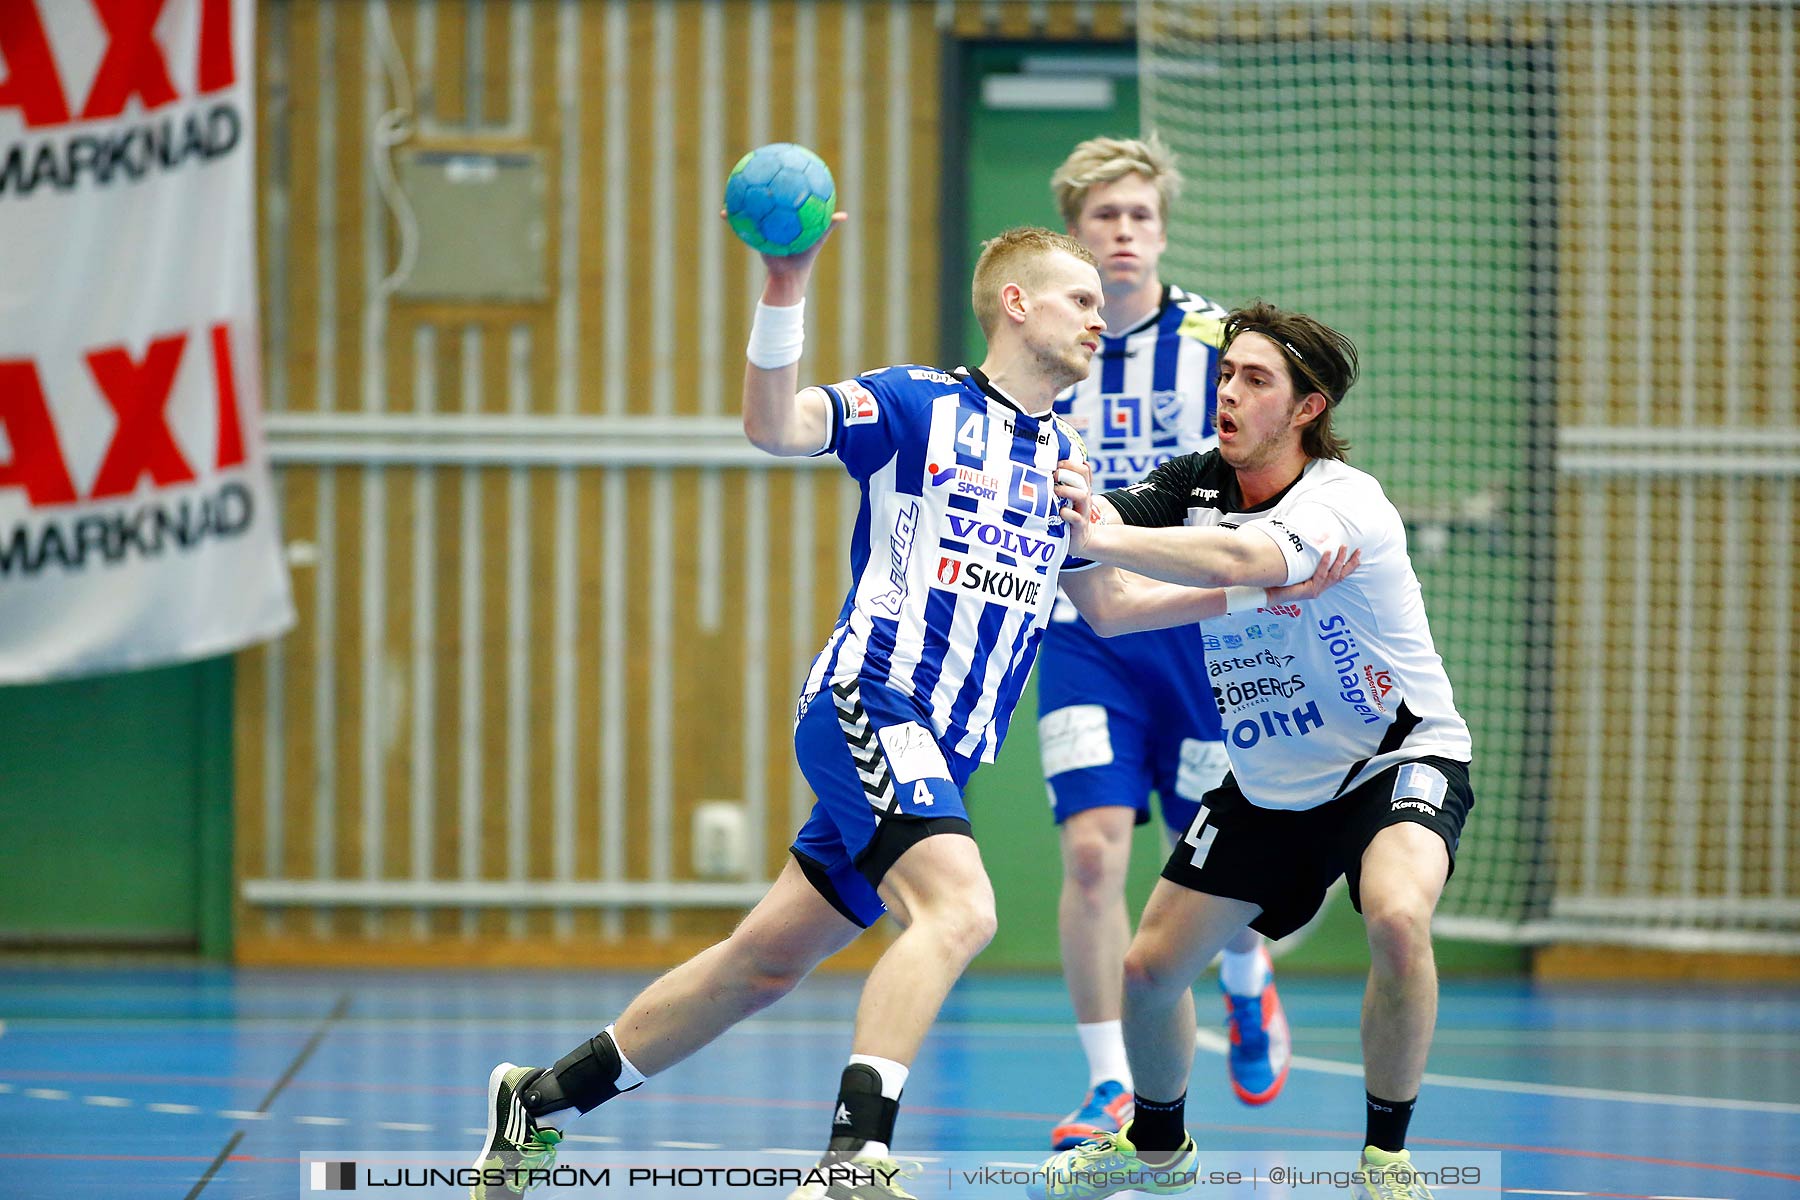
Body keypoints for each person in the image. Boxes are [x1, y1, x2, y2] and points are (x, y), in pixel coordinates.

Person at [465, 227, 1353, 1200]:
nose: (1103, 316)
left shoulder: (1068, 457)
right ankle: (853, 1162)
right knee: (962, 909)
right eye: (1080, 300)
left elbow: (1108, 608)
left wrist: (1254, 591)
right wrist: (786, 284)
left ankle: (537, 1101)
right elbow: (775, 425)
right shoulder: (915, 404)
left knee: (761, 964)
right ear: (1016, 304)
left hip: (947, 750)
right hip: (871, 701)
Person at [1031, 300, 1474, 1200]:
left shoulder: (1345, 502)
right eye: (1225, 374)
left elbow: (1239, 565)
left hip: (1393, 761)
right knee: (1149, 972)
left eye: (1256, 380)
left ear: (1307, 408)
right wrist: (1065, 503)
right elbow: (1110, 606)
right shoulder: (1195, 483)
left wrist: (1100, 535)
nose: (1228, 392)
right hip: (1272, 780)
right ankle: (1157, 1152)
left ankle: (1386, 1158)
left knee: (1395, 916)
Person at [1036, 134, 1291, 1153]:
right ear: (1075, 232)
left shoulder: (1217, 341)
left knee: (1214, 855)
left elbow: (1277, 455)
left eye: (1141, 215)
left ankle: (1244, 974)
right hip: (1083, 630)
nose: (1125, 232)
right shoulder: (1049, 344)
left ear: (1163, 228)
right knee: (1095, 855)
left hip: (1196, 633)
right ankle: (1108, 1084)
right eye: (1106, 216)